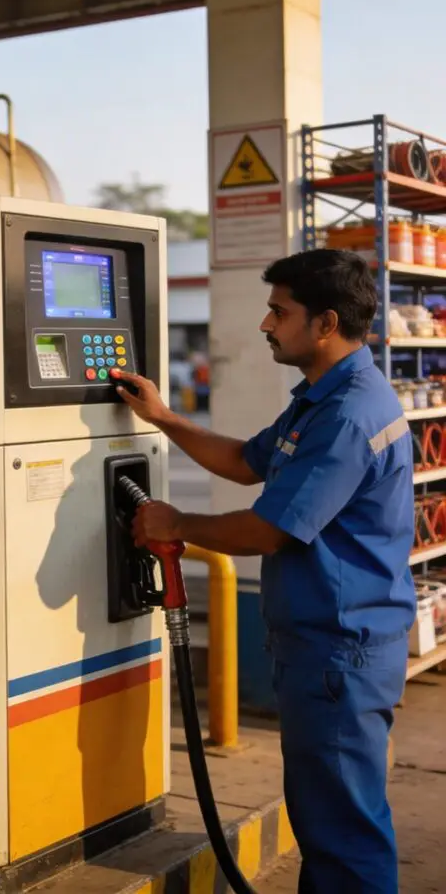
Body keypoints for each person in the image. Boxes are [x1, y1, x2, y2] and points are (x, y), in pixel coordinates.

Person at [112, 248, 416, 894]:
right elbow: (248, 462)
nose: (266, 325)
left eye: (279, 312)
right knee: (329, 819)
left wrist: (177, 525)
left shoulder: (348, 416)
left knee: (343, 836)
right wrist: (164, 418)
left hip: (341, 655)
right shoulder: (324, 398)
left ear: (325, 323)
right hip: (328, 648)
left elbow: (270, 530)